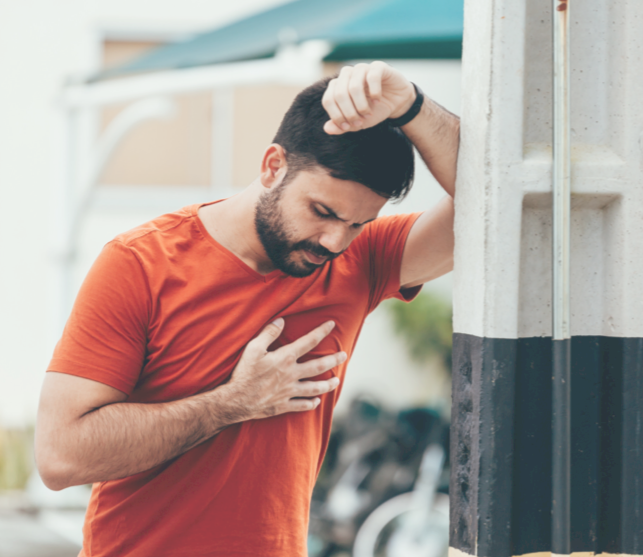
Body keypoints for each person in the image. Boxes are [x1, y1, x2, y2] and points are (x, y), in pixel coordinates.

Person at [35, 61, 459, 557]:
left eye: (358, 224)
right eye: (322, 212)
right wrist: (233, 402)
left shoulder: (362, 261)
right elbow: (60, 455)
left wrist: (411, 104)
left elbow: (496, 200)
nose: (334, 241)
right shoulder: (141, 263)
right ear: (273, 165)